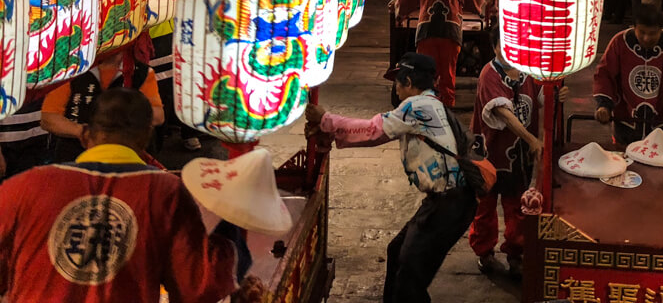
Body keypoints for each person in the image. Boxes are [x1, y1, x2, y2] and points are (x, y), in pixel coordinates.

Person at [0, 88, 248, 302]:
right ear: (145, 138)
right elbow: (196, 287)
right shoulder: (165, 193)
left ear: (86, 136)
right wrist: (232, 222)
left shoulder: (23, 187)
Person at [305, 53, 477, 303]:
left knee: (409, 275)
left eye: (397, 82)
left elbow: (373, 129)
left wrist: (325, 120)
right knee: (397, 253)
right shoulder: (433, 104)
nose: (395, 88)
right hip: (451, 202)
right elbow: (379, 135)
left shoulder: (415, 106)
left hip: (448, 204)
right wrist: (329, 133)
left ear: (408, 82)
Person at [469, 55, 549, 277]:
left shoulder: (529, 70)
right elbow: (502, 113)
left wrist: (557, 89)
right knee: (485, 206)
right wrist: (531, 139)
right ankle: (484, 254)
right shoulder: (489, 74)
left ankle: (516, 253)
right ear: (494, 47)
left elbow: (544, 94)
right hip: (488, 152)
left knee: (517, 205)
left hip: (518, 155)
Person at [394, 0, 490, 107]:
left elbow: (404, 1)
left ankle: (425, 105)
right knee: (447, 73)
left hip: (426, 30)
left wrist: (397, 10)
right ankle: (446, 107)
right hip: (451, 30)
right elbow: (474, 2)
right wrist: (486, 4)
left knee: (424, 73)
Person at [593, 5, 663, 145]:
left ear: (661, 29)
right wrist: (604, 105)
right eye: (642, 32)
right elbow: (604, 75)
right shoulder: (619, 42)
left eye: (652, 33)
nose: (646, 38)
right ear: (634, 27)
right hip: (626, 120)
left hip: (661, 122)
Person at [40, 49, 164, 162]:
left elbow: (158, 116)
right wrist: (83, 132)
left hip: (129, 158)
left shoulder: (140, 72)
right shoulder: (70, 70)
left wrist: (117, 127)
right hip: (75, 158)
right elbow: (48, 119)